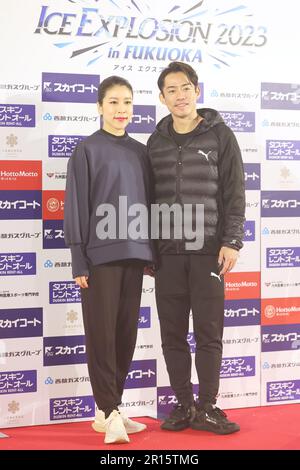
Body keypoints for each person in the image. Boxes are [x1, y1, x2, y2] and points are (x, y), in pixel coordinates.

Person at [147, 62, 245, 435]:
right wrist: (147, 248)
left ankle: (207, 407)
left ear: (196, 91)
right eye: (171, 90)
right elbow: (147, 198)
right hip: (167, 254)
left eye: (185, 87)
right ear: (162, 97)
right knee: (171, 333)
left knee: (208, 332)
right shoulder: (155, 141)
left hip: (208, 250)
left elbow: (235, 192)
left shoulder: (220, 136)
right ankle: (184, 405)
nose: (180, 95)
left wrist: (231, 241)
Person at [64, 76, 154, 444]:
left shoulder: (141, 151)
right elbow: (76, 205)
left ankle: (108, 410)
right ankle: (110, 409)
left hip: (136, 256)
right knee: (101, 336)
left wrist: (152, 253)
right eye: (114, 102)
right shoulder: (86, 150)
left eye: (128, 103)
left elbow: (149, 204)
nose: (122, 110)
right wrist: (78, 258)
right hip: (99, 259)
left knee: (125, 336)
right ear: (100, 107)